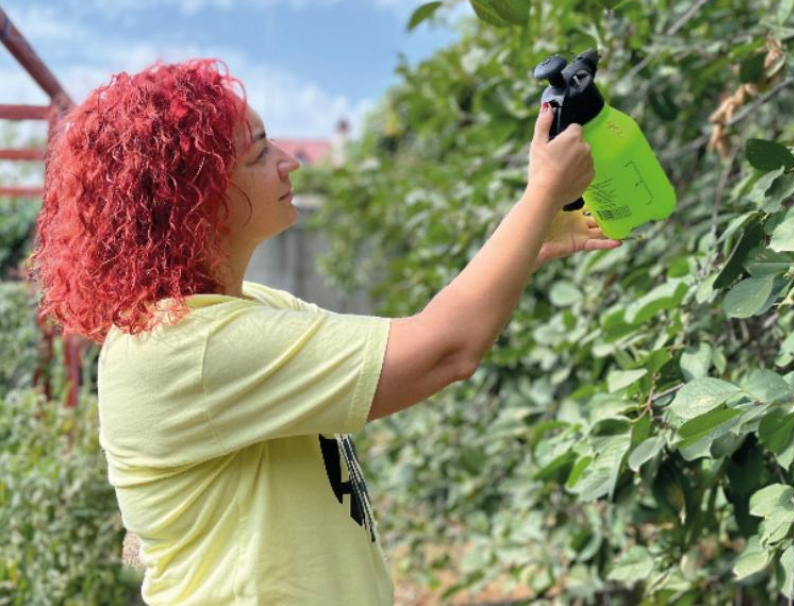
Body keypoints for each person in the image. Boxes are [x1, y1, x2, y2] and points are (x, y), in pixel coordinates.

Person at [26, 58, 621, 605]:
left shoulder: (249, 309)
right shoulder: (190, 347)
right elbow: (445, 350)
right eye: (258, 154)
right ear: (195, 199)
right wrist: (540, 192)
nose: (289, 161)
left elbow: (409, 341)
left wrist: (529, 238)